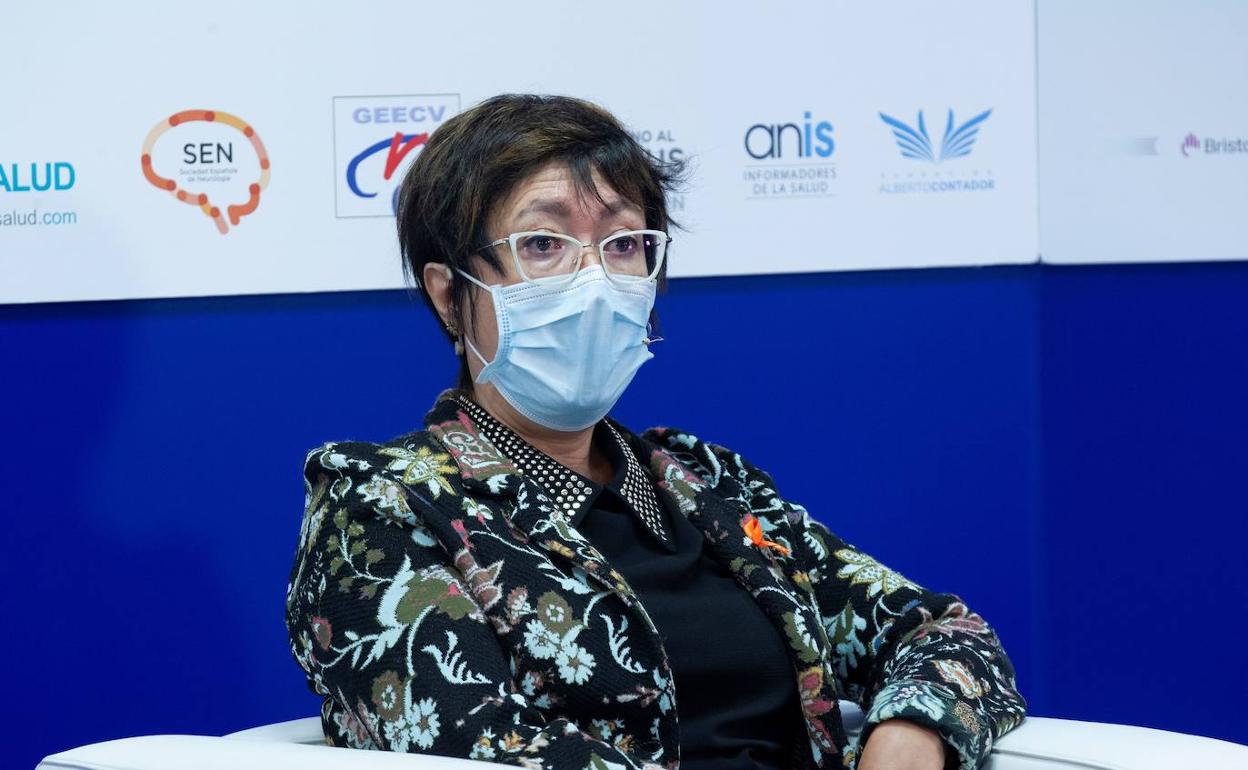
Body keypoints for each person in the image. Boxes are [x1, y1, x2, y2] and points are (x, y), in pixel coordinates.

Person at [284, 94, 1026, 770]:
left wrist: (908, 733)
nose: (594, 280)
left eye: (621, 243)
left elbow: (942, 634)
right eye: (542, 244)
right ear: (450, 294)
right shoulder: (384, 506)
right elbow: (477, 748)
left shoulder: (707, 485)